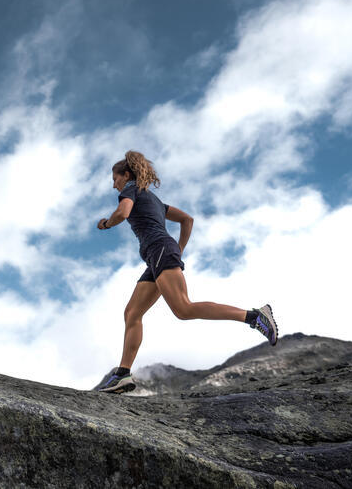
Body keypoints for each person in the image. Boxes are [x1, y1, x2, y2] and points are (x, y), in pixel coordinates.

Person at [95, 150, 277, 394]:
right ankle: (122, 375)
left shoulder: (130, 189)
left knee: (183, 308)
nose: (114, 185)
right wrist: (178, 249)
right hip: (157, 256)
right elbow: (187, 220)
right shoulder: (156, 201)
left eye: (114, 179)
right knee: (132, 313)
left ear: (126, 175)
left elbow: (123, 213)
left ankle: (254, 316)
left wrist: (106, 223)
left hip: (159, 251)